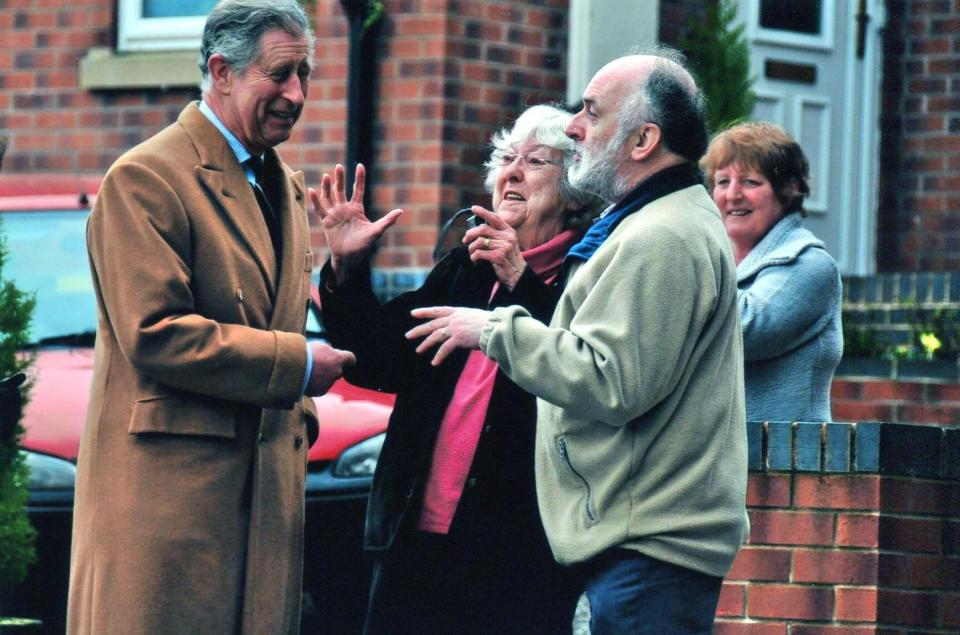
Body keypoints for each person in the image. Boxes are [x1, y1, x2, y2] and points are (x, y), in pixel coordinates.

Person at [406, 48, 749, 634]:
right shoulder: (655, 222)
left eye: (591, 111)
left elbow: (608, 380)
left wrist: (490, 328)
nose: (573, 126)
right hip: (642, 546)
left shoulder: (660, 236)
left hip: (646, 550)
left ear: (642, 141)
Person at [67, 2, 357, 632]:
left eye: (306, 75)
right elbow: (156, 334)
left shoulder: (280, 183)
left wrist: (344, 270)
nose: (297, 93)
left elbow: (273, 311)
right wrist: (300, 364)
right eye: (280, 74)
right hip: (171, 515)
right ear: (222, 72)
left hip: (263, 510)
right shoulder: (145, 177)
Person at [313, 104, 605, 634]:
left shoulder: (585, 277)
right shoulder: (463, 269)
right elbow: (379, 360)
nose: (511, 172)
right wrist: (347, 269)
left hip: (514, 554)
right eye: (505, 158)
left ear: (576, 190)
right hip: (413, 536)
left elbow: (578, 370)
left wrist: (520, 277)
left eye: (535, 161)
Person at [700, 121, 843, 422]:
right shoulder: (715, 255)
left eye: (750, 182)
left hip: (789, 460)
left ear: (787, 190)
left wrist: (676, 272)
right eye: (723, 182)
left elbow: (745, 329)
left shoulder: (810, 265)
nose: (733, 195)